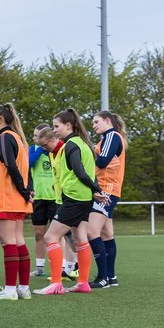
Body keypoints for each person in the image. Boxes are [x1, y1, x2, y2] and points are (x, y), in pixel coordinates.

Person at [35, 108, 106, 296]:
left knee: (50, 237)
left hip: (75, 198)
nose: (54, 129)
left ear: (68, 125)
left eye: (56, 126)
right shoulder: (82, 143)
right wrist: (94, 191)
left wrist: (97, 190)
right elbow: (85, 172)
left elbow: (80, 172)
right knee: (80, 238)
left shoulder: (72, 145)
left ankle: (56, 283)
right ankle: (83, 283)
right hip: (82, 198)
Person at [0, 103, 33, 300]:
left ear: (0, 120)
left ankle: (11, 290)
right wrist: (28, 191)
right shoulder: (19, 139)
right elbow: (26, 169)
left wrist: (23, 190)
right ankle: (23, 289)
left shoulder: (4, 138)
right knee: (19, 241)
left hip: (7, 198)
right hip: (18, 199)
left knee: (8, 242)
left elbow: (12, 168)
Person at [88, 111, 128, 289]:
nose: (94, 125)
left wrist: (85, 157)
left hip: (107, 192)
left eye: (96, 121)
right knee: (106, 234)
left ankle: (102, 277)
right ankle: (111, 277)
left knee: (91, 232)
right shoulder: (106, 139)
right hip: (107, 190)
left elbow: (103, 161)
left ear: (107, 121)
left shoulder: (112, 136)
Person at [27, 124, 61, 278]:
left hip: (55, 198)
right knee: (38, 234)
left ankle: (62, 267)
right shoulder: (34, 149)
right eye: (34, 136)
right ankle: (40, 267)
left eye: (38, 136)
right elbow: (28, 163)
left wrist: (47, 148)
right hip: (38, 198)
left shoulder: (55, 150)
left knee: (58, 235)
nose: (35, 138)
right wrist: (40, 147)